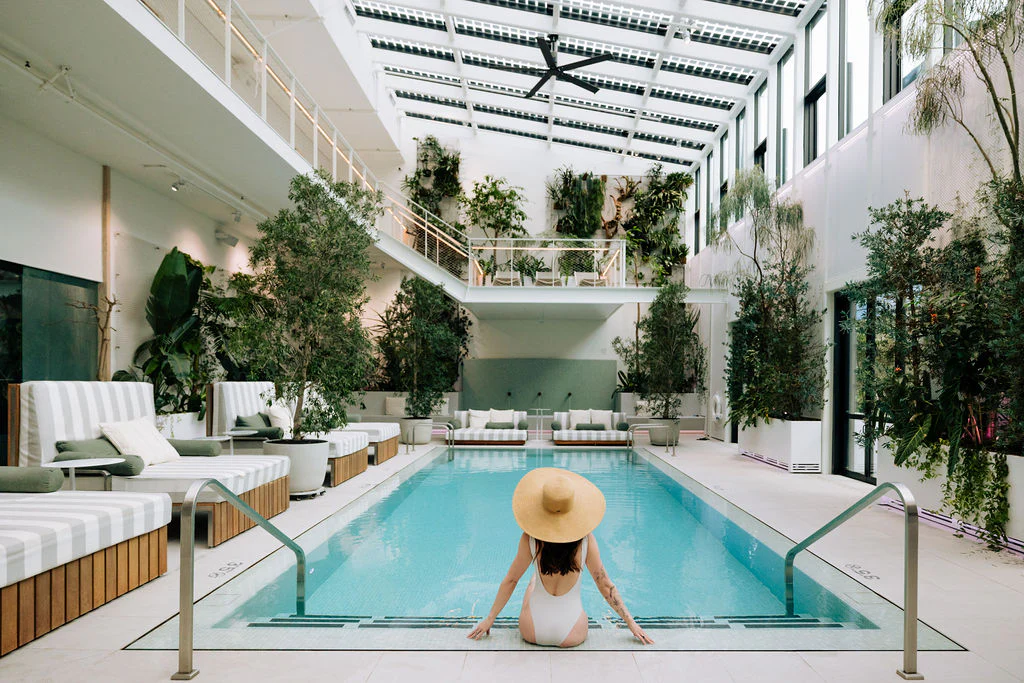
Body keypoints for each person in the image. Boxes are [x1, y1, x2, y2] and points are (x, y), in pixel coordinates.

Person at [467, 467, 653, 647]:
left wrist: (489, 618)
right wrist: (631, 623)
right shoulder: (586, 541)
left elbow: (511, 580)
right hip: (572, 634)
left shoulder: (530, 540)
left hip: (532, 631)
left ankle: (536, 584)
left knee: (532, 581)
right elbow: (604, 584)